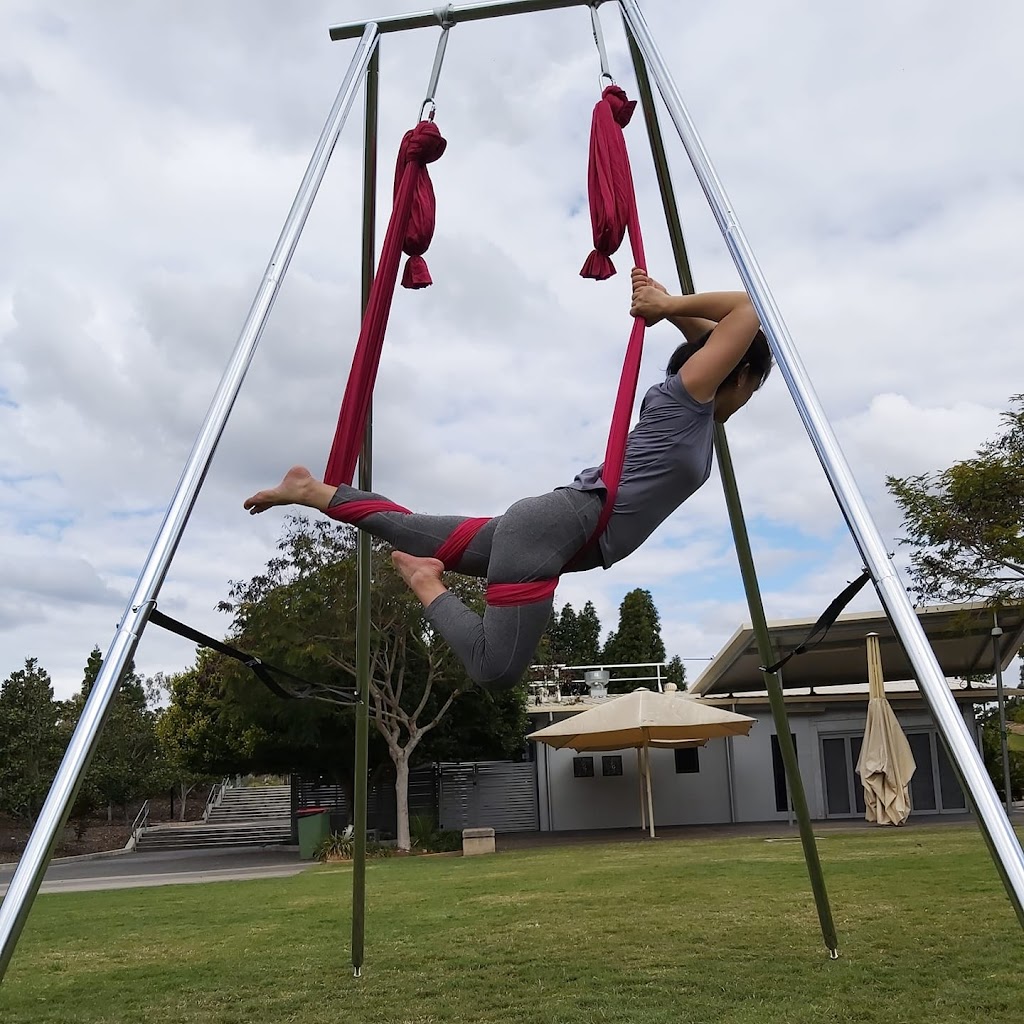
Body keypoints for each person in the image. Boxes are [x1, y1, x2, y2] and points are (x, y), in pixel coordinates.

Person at [244, 269, 771, 691]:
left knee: (409, 528)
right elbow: (747, 309)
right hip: (558, 529)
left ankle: (311, 491)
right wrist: (670, 305)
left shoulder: (694, 410)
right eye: (752, 386)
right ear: (737, 376)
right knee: (493, 670)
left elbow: (723, 336)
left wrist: (671, 313)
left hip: (551, 527)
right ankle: (427, 582)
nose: (748, 399)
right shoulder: (688, 398)